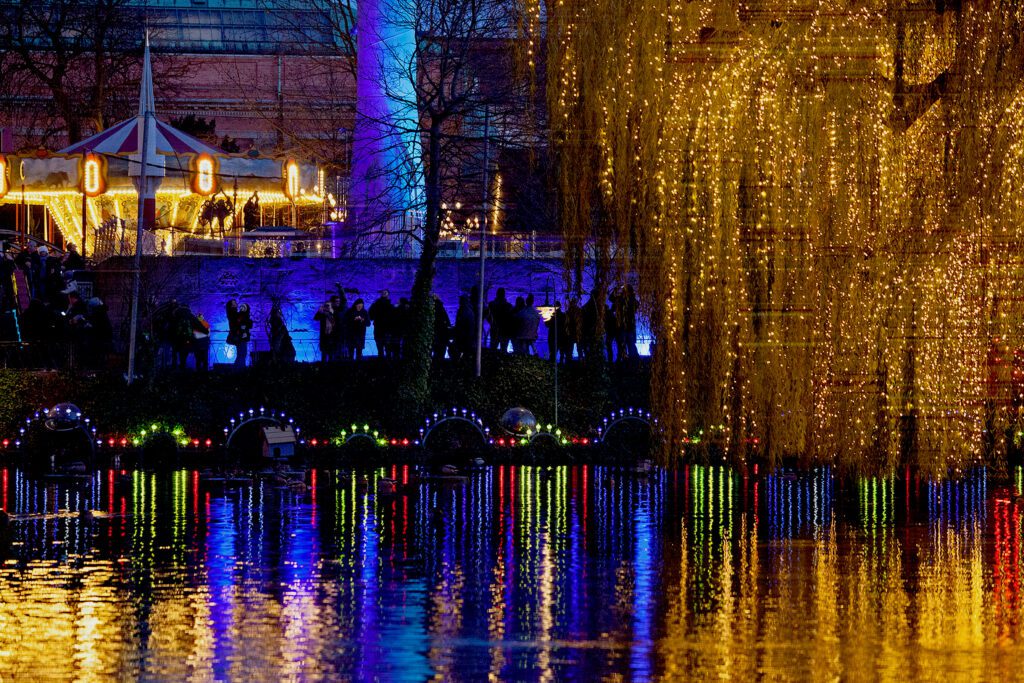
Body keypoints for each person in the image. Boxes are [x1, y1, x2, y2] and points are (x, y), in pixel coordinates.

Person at [368, 290, 395, 359]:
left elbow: (393, 317)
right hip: (379, 329)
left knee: (387, 349)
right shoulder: (376, 304)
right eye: (383, 292)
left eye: (385, 292)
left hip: (386, 329)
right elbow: (371, 315)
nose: (384, 293)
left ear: (388, 294)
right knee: (380, 349)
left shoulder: (390, 305)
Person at [486, 287, 513, 352]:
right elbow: (511, 319)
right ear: (504, 294)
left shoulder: (491, 305)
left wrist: (492, 324)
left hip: (495, 330)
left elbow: (488, 317)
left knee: (493, 350)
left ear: (497, 294)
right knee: (503, 350)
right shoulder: (508, 306)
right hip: (505, 331)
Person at [453, 294, 476, 361]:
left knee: (463, 355)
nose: (459, 302)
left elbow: (461, 324)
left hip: (464, 338)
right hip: (467, 337)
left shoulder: (464, 310)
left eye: (461, 300)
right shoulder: (469, 310)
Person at [432, 294, 451, 359]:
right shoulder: (441, 308)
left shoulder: (436, 308)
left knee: (438, 352)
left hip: (438, 334)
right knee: (440, 352)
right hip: (442, 334)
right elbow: (447, 322)